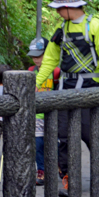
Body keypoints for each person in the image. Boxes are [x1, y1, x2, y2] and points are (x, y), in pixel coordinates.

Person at [33, 0, 99, 197]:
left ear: (68, 7)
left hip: (90, 88)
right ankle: (69, 178)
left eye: (59, 8)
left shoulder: (96, 26)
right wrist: (36, 83)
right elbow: (50, 59)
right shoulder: (61, 30)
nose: (57, 12)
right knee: (63, 136)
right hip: (66, 88)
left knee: (89, 134)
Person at [27, 38, 59, 185]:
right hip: (37, 115)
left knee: (55, 143)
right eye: (34, 56)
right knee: (38, 144)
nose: (36, 59)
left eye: (39, 56)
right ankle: (41, 172)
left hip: (53, 114)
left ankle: (58, 167)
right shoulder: (30, 72)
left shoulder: (56, 71)